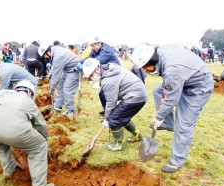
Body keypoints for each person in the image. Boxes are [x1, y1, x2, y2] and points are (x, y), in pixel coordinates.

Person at [132, 44, 214, 173]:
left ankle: (177, 161)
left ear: (151, 62)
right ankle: (168, 123)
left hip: (198, 87)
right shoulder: (159, 53)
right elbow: (167, 91)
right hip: (185, 78)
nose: (146, 71)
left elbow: (171, 99)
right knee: (158, 90)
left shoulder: (172, 71)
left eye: (146, 68)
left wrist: (158, 117)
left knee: (184, 125)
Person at [82, 58, 148, 151]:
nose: (91, 77)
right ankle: (137, 136)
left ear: (97, 69)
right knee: (121, 115)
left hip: (135, 97)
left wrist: (107, 118)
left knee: (113, 118)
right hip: (137, 94)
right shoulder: (109, 69)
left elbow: (111, 102)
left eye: (91, 75)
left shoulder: (107, 80)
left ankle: (120, 145)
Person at [82, 36, 120, 116]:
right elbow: (89, 58)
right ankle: (107, 110)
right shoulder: (95, 49)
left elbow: (98, 61)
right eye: (91, 46)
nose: (92, 48)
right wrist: (81, 62)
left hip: (114, 73)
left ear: (99, 43)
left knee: (106, 94)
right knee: (102, 94)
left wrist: (86, 63)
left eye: (93, 46)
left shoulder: (106, 50)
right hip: (106, 73)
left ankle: (111, 113)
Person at [40, 44, 81, 116]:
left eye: (45, 55)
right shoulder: (55, 51)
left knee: (67, 89)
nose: (46, 57)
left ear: (48, 51)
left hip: (75, 69)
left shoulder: (58, 56)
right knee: (61, 84)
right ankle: (58, 105)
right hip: (67, 69)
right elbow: (54, 68)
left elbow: (55, 76)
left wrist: (51, 90)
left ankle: (70, 110)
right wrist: (49, 75)